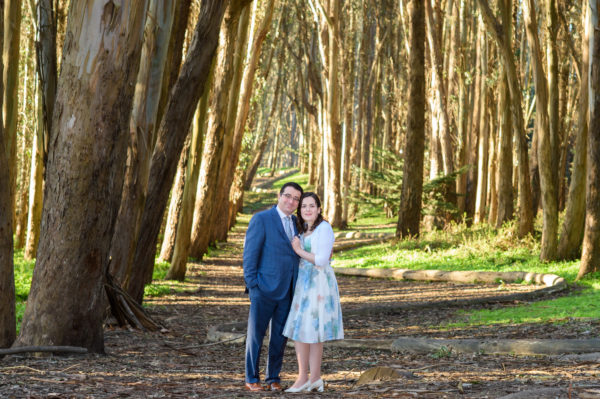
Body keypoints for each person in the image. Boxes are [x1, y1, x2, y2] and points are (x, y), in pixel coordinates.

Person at [243, 182, 303, 392]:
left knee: (279, 337)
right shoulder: (262, 219)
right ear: (279, 196)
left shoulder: (297, 222)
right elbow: (250, 255)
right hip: (263, 289)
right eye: (288, 196)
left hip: (288, 290)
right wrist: (253, 286)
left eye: (296, 199)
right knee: (256, 336)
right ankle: (251, 378)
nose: (291, 201)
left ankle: (273, 378)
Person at [282, 192, 344, 393]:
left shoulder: (324, 228)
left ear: (319, 209)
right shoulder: (303, 229)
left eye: (311, 206)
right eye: (304, 206)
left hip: (319, 285)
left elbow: (322, 260)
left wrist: (299, 251)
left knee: (308, 331)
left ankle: (304, 379)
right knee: (306, 331)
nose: (307, 209)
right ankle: (314, 379)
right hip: (304, 283)